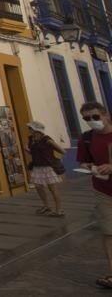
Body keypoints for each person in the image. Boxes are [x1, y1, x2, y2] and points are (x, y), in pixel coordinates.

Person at [76, 101, 112, 289]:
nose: (92, 121)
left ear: (105, 115)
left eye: (95, 117)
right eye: (87, 118)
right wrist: (89, 167)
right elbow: (83, 161)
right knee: (109, 232)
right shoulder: (86, 139)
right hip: (103, 190)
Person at [25, 120, 66, 217]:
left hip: (47, 167)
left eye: (30, 128)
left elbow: (61, 150)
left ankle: (59, 209)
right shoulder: (31, 139)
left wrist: (53, 158)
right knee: (38, 187)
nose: (29, 130)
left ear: (36, 129)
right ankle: (46, 206)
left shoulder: (46, 139)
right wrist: (27, 150)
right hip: (37, 166)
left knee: (52, 188)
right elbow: (34, 152)